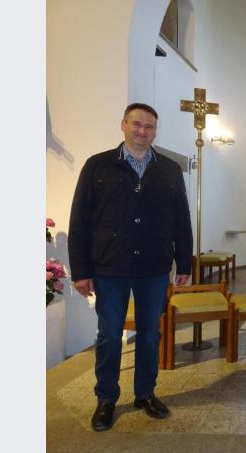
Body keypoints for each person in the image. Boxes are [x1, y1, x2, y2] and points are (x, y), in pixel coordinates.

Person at [68, 103, 193, 432]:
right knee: (110, 335)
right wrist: (80, 270)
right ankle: (106, 399)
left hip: (153, 266)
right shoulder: (98, 166)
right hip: (110, 266)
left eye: (149, 126)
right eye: (137, 124)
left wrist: (184, 261)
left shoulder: (168, 169)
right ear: (123, 125)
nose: (143, 131)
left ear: (155, 131)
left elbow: (182, 218)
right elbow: (79, 221)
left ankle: (145, 394)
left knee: (150, 335)